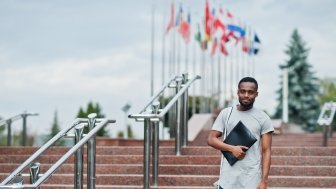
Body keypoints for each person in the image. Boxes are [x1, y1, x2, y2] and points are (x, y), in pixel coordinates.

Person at [208, 77, 274, 189]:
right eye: (243, 91)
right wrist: (232, 149)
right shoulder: (226, 113)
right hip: (227, 179)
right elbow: (211, 139)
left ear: (256, 94)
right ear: (238, 92)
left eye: (250, 92)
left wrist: (264, 181)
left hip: (251, 179)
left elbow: (266, 151)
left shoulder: (263, 118)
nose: (246, 95)